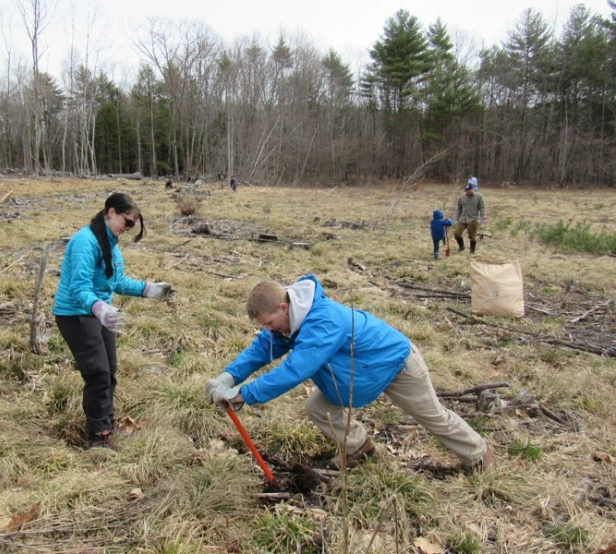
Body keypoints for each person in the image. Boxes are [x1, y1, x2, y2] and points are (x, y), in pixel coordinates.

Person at [206, 275, 494, 471]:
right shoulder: (288, 321)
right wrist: (228, 378)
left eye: (270, 323)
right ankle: (359, 447)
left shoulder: (322, 322)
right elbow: (261, 349)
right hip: (360, 372)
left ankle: (479, 456)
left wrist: (245, 394)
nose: (269, 330)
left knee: (432, 416)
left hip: (397, 365)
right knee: (318, 407)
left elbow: (295, 370)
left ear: (283, 307)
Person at [53, 192, 176, 449]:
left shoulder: (111, 242)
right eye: (127, 222)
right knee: (97, 373)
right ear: (110, 212)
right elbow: (79, 287)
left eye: (133, 224)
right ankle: (98, 436)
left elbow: (116, 281)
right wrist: (99, 308)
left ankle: (106, 424)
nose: (129, 229)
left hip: (101, 313)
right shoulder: (86, 241)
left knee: (109, 370)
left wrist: (150, 289)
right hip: (76, 314)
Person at [453, 183, 486, 254]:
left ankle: (472, 251)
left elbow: (482, 208)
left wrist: (482, 219)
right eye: (466, 191)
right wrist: (456, 219)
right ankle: (461, 246)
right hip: (462, 219)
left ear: (472, 189)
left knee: (472, 237)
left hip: (473, 219)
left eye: (469, 190)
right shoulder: (462, 198)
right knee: (456, 233)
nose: (467, 192)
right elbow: (459, 209)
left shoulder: (479, 197)